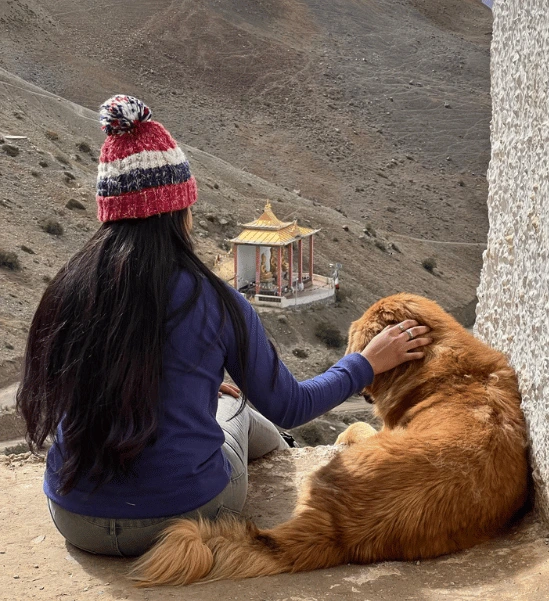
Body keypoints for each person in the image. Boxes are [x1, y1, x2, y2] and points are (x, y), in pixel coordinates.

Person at [16, 95, 432, 558]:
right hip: (184, 517)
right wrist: (366, 363)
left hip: (75, 518)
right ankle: (289, 452)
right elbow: (290, 404)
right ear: (180, 210)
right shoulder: (214, 300)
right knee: (238, 413)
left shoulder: (67, 291)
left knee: (216, 400)